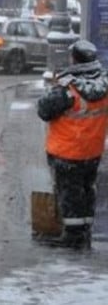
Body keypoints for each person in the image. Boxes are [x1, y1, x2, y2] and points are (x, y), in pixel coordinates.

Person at [36, 40, 108, 249]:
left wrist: (53, 88)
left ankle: (73, 237)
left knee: (70, 193)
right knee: (86, 189)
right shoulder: (104, 85)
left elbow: (44, 110)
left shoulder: (68, 90)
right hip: (92, 151)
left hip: (67, 152)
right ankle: (84, 230)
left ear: (74, 59)